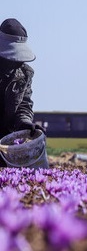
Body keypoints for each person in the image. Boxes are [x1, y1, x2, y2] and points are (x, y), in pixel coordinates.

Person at [0, 18, 44, 167]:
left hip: (5, 141)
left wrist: (24, 122)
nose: (16, 61)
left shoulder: (25, 74)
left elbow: (23, 104)